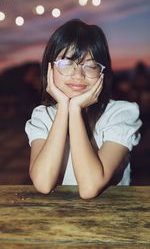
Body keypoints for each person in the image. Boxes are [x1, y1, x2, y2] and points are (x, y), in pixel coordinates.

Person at [25, 19, 142, 199]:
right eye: (66, 63)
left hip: (112, 221)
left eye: (91, 65)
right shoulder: (43, 116)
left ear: (102, 72)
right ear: (49, 68)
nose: (78, 75)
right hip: (57, 221)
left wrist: (75, 110)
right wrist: (64, 108)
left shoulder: (121, 114)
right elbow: (43, 182)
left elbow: (89, 187)